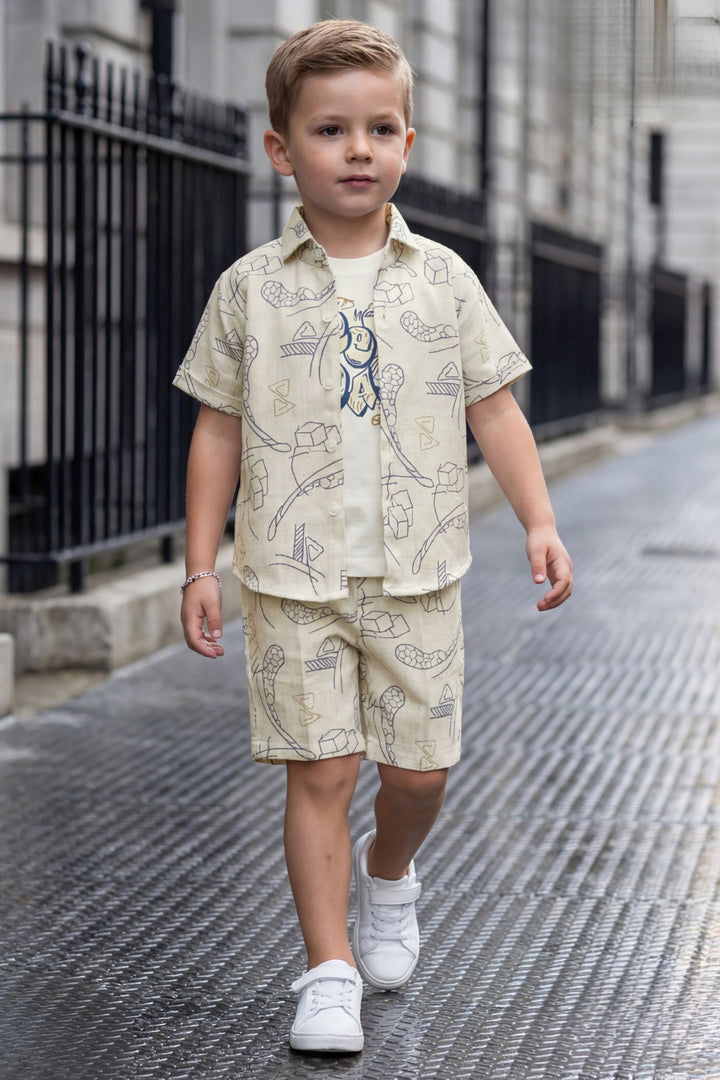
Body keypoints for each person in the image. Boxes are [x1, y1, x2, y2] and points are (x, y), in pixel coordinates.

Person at [173, 18, 572, 1055]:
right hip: (293, 580)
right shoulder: (249, 291)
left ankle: (389, 876)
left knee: (418, 777)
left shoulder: (443, 280)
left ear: (407, 142)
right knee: (324, 771)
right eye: (331, 129)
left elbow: (496, 409)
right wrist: (198, 564)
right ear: (280, 149)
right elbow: (217, 428)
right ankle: (328, 967)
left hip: (419, 577)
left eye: (380, 128)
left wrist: (539, 520)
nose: (359, 149)